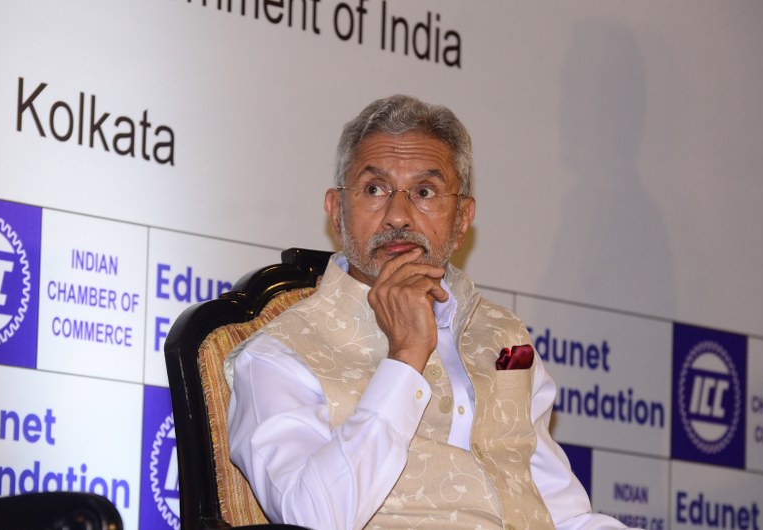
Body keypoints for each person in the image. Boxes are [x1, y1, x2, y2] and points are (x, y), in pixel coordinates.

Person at [225, 95, 637, 529]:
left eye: (424, 192)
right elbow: (313, 517)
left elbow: (565, 515)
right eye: (374, 189)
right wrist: (405, 359)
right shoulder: (279, 356)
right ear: (337, 214)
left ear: (462, 220)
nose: (398, 217)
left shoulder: (505, 338)